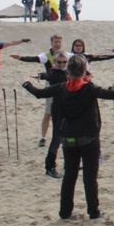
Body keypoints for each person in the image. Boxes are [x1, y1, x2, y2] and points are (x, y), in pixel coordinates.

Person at [23, 55, 114, 219]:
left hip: (68, 138)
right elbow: (111, 94)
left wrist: (26, 83)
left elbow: (39, 93)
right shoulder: (88, 88)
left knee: (69, 176)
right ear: (84, 70)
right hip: (88, 138)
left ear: (68, 71)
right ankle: (93, 212)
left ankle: (65, 212)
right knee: (90, 177)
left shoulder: (61, 87)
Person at [11, 34, 65, 145]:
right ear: (51, 43)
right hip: (51, 86)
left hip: (64, 87)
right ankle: (43, 137)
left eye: (59, 42)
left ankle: (63, 136)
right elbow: (35, 59)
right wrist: (21, 58)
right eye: (55, 42)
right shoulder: (46, 55)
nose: (57, 44)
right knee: (48, 113)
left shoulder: (65, 55)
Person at [30, 51, 69, 179]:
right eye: (59, 62)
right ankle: (50, 166)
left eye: (64, 62)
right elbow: (47, 75)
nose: (62, 64)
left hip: (69, 107)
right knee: (57, 138)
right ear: (55, 62)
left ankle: (68, 163)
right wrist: (40, 75)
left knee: (68, 137)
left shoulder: (68, 72)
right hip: (58, 108)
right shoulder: (53, 73)